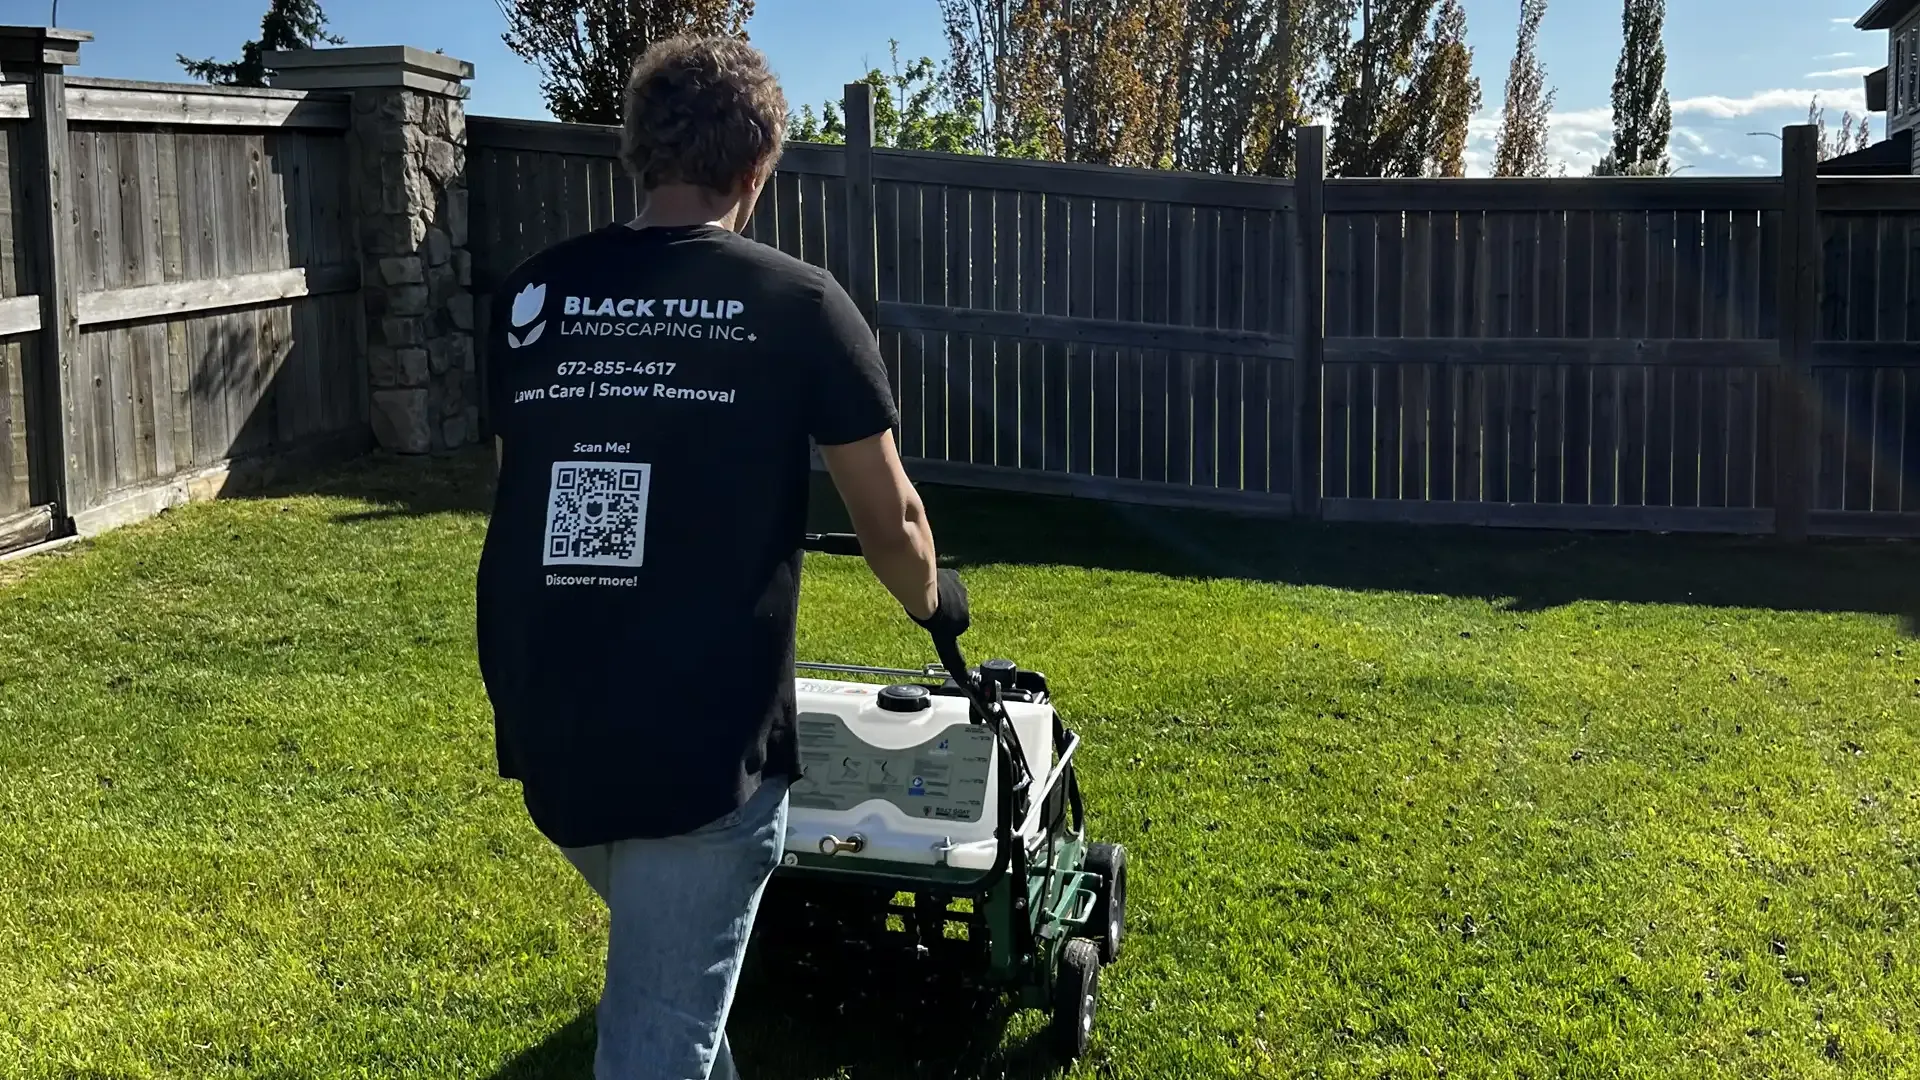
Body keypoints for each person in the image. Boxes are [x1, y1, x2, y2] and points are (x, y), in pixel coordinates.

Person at [474, 34, 970, 1080]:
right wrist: (937, 604)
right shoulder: (796, 305)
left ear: (637, 154)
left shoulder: (537, 295)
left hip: (545, 714)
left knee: (673, 981)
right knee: (657, 1035)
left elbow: (527, 478)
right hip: (695, 744)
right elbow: (893, 524)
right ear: (760, 169)